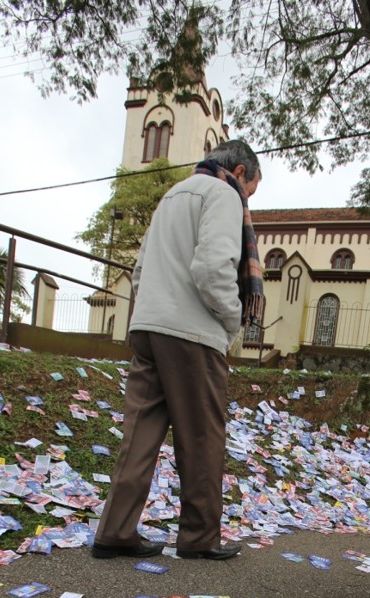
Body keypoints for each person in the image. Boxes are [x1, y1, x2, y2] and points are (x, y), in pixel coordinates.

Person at [92, 139, 264, 562]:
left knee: (140, 432)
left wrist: (147, 310)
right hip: (192, 332)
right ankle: (199, 537)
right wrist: (230, 321)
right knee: (202, 435)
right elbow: (211, 268)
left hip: (149, 327)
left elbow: (139, 270)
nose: (248, 200)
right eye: (252, 190)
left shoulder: (173, 195)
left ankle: (115, 530)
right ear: (240, 172)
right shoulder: (223, 194)